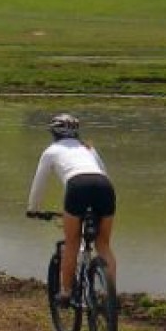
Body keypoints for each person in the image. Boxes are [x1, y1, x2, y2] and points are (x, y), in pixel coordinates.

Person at [26, 113, 116, 305]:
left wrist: (33, 208)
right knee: (103, 245)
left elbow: (39, 184)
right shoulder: (89, 148)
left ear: (54, 133)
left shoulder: (51, 151)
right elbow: (103, 172)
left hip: (77, 186)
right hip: (104, 186)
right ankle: (111, 298)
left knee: (72, 242)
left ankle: (66, 293)